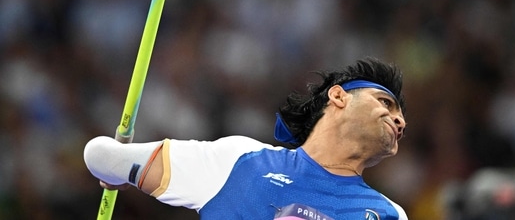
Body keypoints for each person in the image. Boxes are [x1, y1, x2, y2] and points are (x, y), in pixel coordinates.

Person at [84, 56, 408, 219]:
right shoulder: (240, 161)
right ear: (338, 97)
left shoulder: (387, 213)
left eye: (401, 116)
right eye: (386, 103)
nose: (400, 121)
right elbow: (100, 154)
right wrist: (116, 171)